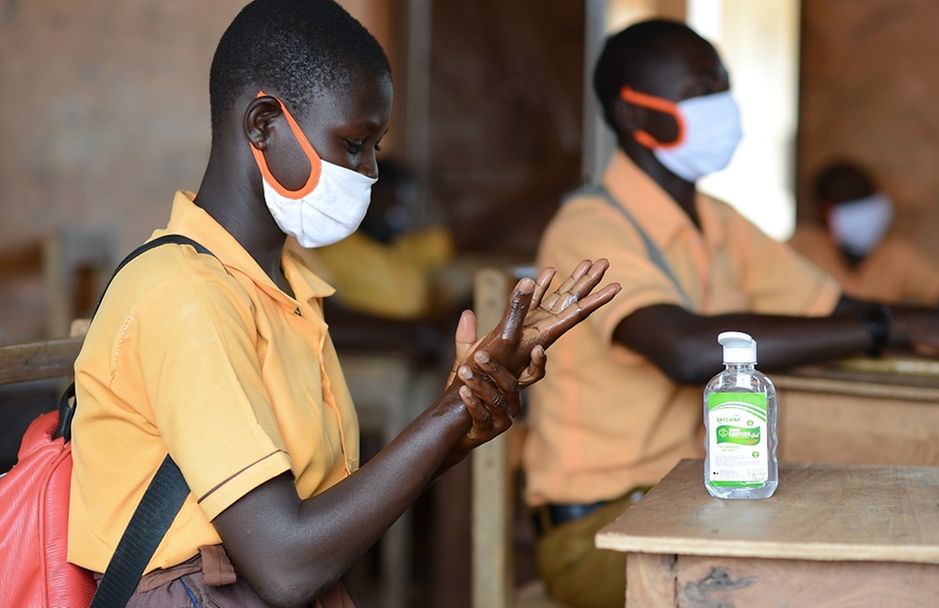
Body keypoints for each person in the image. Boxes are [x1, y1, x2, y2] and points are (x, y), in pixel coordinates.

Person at [66, 2, 620, 606]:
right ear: (262, 124)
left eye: (375, 146)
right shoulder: (186, 294)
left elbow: (325, 524)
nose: (370, 171)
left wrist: (462, 411)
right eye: (354, 144)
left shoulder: (285, 285)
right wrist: (446, 417)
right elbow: (286, 563)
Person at [524, 19, 939, 608]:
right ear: (634, 115)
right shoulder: (589, 226)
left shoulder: (718, 221)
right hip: (601, 530)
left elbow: (837, 306)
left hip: (700, 496)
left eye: (721, 84)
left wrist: (919, 322)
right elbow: (684, 350)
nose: (720, 105)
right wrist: (887, 329)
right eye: (697, 92)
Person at [296, 159, 456, 320]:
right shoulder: (334, 250)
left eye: (401, 203)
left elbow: (463, 238)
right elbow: (329, 316)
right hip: (377, 342)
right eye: (387, 201)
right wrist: (415, 331)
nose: (397, 212)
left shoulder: (405, 247)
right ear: (364, 200)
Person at [790, 160, 939, 305]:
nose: (865, 217)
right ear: (825, 213)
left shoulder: (895, 253)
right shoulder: (800, 248)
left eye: (866, 202)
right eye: (851, 206)